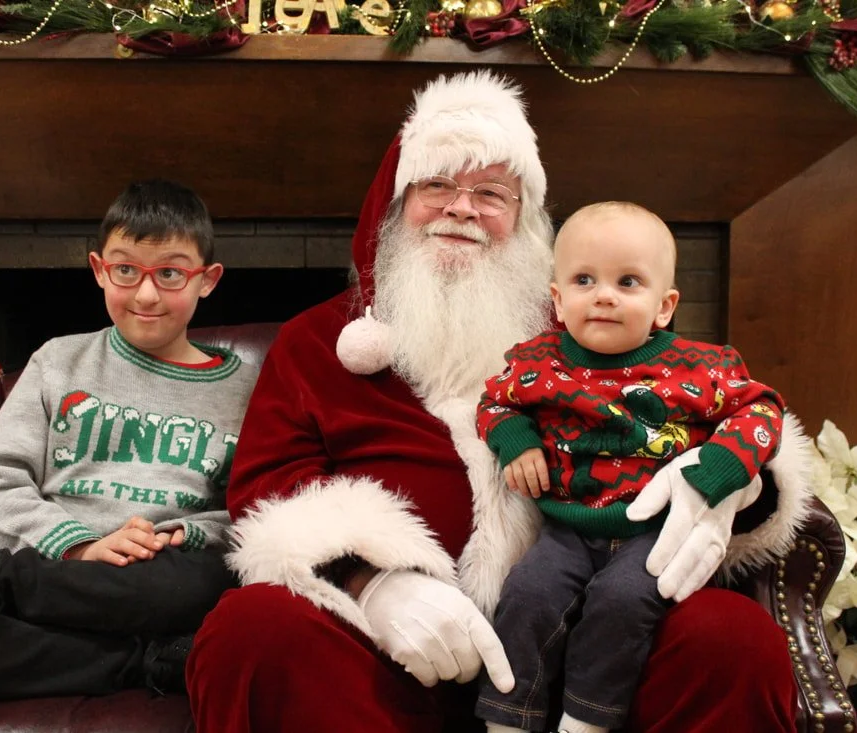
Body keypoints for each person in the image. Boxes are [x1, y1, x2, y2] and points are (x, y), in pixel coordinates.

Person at [187, 71, 809, 733]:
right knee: (251, 629)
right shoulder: (317, 341)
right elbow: (269, 490)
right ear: (394, 207)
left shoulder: (586, 325)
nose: (462, 208)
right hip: (380, 661)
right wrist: (372, 581)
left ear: (525, 223)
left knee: (733, 637)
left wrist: (732, 486)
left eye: (490, 193)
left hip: (585, 650)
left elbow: (723, 408)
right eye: (437, 185)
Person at [0, 179, 258, 701]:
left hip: (157, 573)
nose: (147, 293)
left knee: (200, 583)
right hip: (55, 560)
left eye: (170, 273)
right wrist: (79, 546)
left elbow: (254, 506)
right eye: (127, 270)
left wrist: (183, 536)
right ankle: (148, 658)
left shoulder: (248, 389)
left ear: (207, 280)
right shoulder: (58, 362)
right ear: (100, 269)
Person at [473, 201, 786, 733]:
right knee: (527, 596)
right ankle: (509, 718)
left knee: (621, 603)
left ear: (664, 307)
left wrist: (719, 470)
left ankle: (586, 720)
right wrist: (516, 442)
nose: (604, 294)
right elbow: (494, 404)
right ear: (559, 298)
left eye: (628, 281)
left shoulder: (698, 367)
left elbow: (762, 409)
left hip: (654, 531)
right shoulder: (540, 362)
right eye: (585, 279)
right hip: (568, 527)